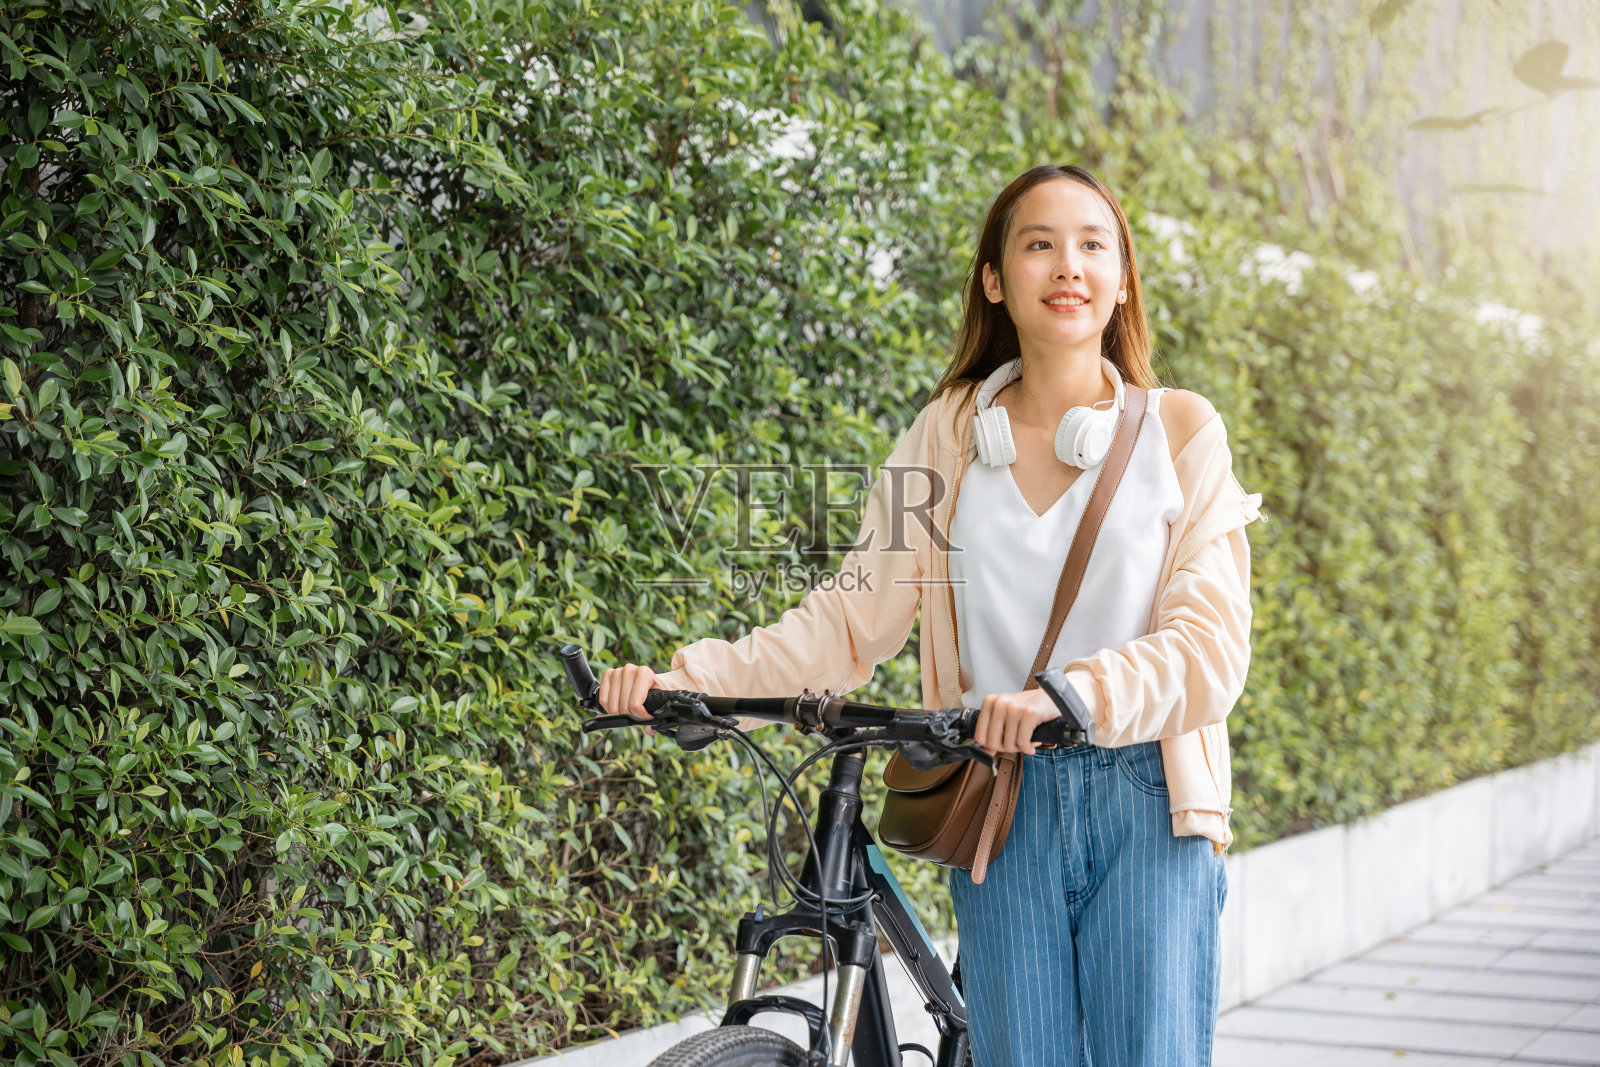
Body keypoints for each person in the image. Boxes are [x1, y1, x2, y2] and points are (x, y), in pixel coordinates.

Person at [597, 163, 1260, 1066]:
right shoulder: (951, 433)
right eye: (1039, 244)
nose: (1068, 265)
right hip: (999, 803)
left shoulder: (1180, 432)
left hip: (1146, 797)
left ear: (1121, 280)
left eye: (1092, 245)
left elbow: (1210, 647)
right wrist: (689, 680)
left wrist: (1068, 696)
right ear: (995, 278)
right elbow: (851, 617)